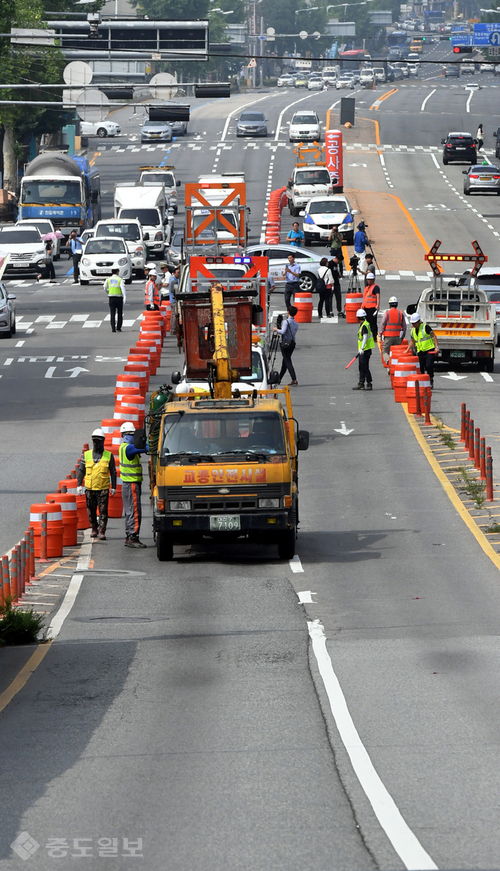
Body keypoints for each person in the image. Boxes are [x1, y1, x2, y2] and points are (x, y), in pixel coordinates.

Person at [76, 428, 117, 540]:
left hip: (103, 488)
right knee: (91, 510)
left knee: (103, 510)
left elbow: (113, 471)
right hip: (90, 488)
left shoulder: (109, 456)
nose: (96, 443)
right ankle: (94, 528)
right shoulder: (87, 455)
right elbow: (81, 470)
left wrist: (114, 487)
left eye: (98, 441)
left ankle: (102, 530)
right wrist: (79, 485)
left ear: (103, 441)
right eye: (94, 441)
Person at [119, 421, 148, 548]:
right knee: (135, 511)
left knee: (129, 510)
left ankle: (128, 535)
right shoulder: (129, 448)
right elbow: (146, 448)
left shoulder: (122, 447)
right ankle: (133, 537)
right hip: (132, 484)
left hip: (126, 484)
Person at [407, 312, 439, 389]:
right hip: (420, 352)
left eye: (414, 323)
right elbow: (412, 341)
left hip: (429, 350)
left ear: (419, 322)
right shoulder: (413, 330)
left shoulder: (426, 327)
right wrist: (407, 349)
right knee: (421, 369)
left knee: (429, 366)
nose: (413, 324)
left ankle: (430, 379)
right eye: (412, 323)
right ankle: (423, 383)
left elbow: (434, 336)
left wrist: (436, 347)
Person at [274, 306, 299, 386]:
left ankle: (294, 378)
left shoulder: (286, 322)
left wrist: (276, 330)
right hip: (292, 343)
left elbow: (283, 331)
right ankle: (279, 379)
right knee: (285, 362)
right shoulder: (295, 323)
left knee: (287, 361)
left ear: (288, 312)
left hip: (285, 344)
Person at [379, 296, 406, 364]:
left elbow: (382, 324)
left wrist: (380, 334)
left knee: (385, 351)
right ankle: (395, 365)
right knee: (396, 353)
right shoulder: (400, 313)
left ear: (389, 304)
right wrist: (402, 337)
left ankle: (389, 361)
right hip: (397, 337)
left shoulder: (387, 313)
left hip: (388, 337)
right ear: (397, 304)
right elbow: (404, 327)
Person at [353, 308, 375, 390]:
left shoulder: (364, 326)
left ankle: (369, 382)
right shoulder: (365, 324)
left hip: (365, 350)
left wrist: (362, 348)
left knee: (364, 366)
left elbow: (365, 337)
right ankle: (361, 382)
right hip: (365, 349)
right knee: (361, 366)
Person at [104, 268, 126, 333]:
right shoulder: (119, 279)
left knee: (112, 313)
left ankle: (113, 328)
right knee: (119, 313)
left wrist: (108, 292)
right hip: (119, 298)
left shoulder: (108, 279)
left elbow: (104, 287)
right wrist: (124, 296)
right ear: (117, 272)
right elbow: (122, 288)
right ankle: (118, 327)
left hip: (111, 298)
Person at [362, 272, 380, 340]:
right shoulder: (367, 288)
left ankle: (375, 336)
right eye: (368, 279)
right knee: (368, 323)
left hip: (372, 308)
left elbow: (378, 296)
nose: (369, 280)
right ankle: (370, 336)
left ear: (373, 279)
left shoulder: (375, 287)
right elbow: (365, 298)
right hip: (366, 308)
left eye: (370, 279)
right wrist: (362, 307)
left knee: (373, 323)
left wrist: (377, 305)